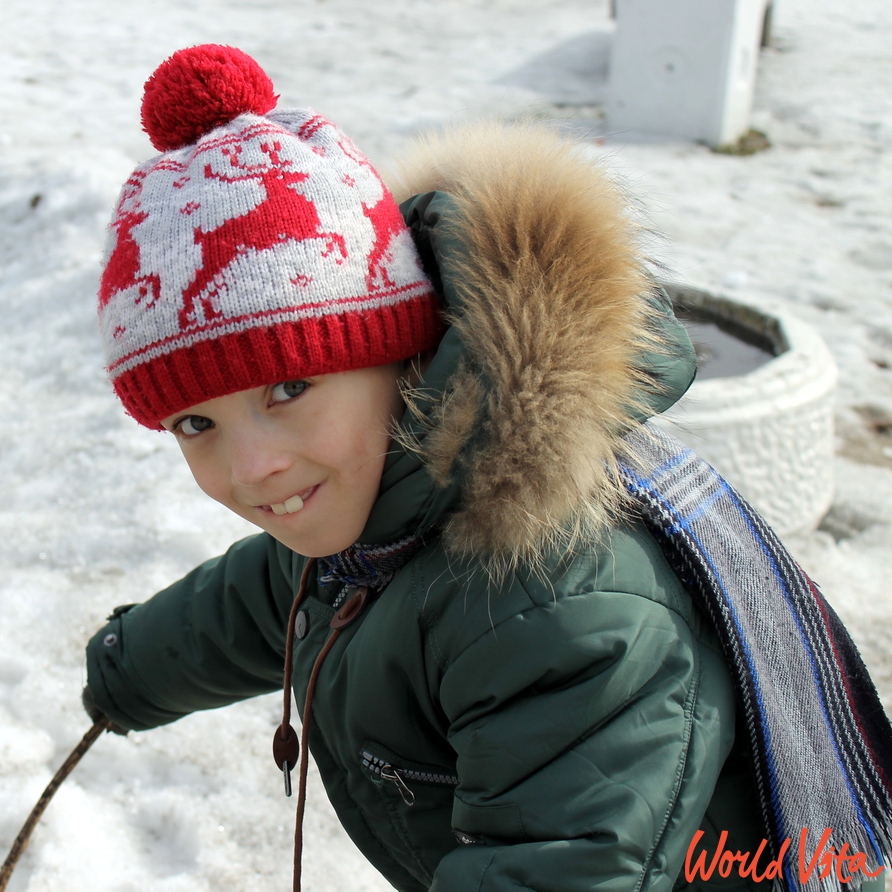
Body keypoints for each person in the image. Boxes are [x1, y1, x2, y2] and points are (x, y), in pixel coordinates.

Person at [83, 45, 891, 892]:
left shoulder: (553, 598)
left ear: (398, 349)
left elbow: (556, 867)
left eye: (289, 387)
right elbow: (264, 598)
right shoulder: (374, 508)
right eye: (196, 422)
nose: (253, 466)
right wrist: (125, 671)